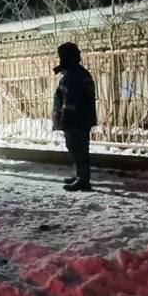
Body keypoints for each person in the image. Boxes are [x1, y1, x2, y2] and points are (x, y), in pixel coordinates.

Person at [52, 42, 97, 191]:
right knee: (76, 147)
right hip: (78, 119)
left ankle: (83, 179)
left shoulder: (74, 75)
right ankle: (79, 175)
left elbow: (72, 100)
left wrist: (65, 119)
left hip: (76, 120)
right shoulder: (74, 73)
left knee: (78, 148)